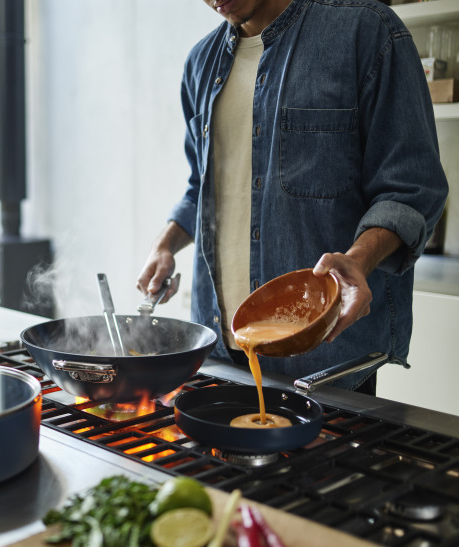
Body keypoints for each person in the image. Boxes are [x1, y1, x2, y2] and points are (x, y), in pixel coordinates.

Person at [136, 0, 448, 392]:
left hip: (324, 358)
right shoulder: (201, 63)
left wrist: (359, 260)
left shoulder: (367, 32)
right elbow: (203, 186)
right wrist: (165, 245)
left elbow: (412, 187)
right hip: (220, 353)